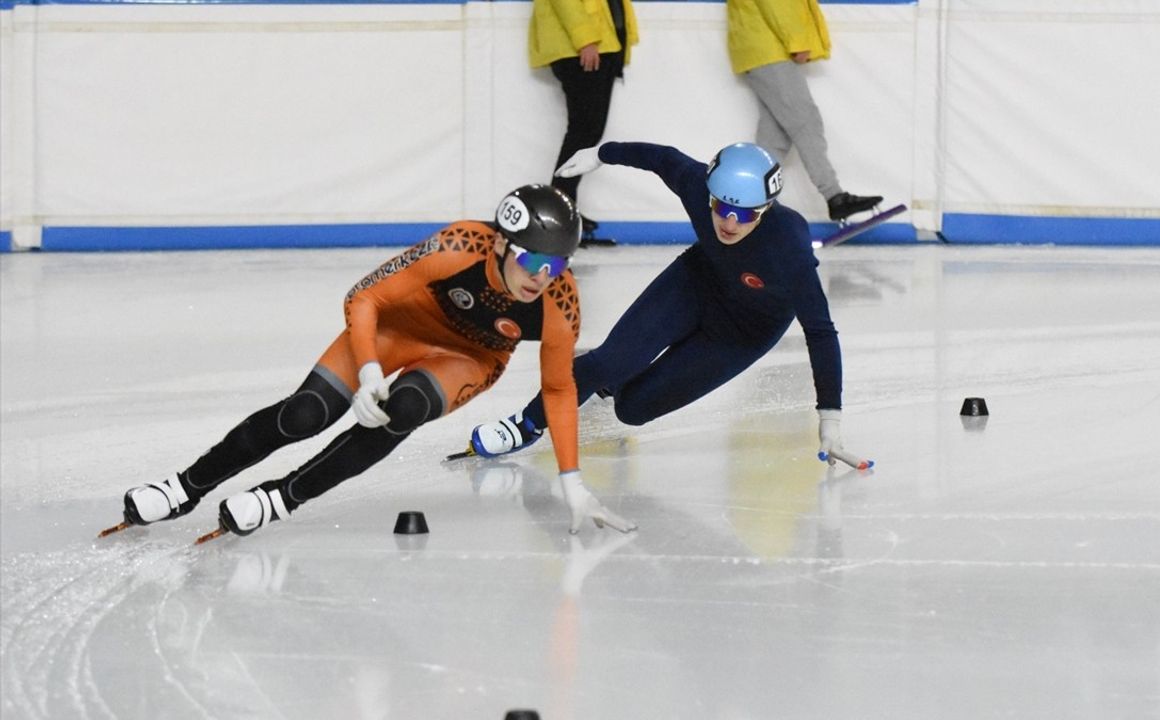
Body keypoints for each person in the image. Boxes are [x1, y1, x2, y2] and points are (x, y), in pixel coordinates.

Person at [109, 185, 636, 540]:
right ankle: (185, 488)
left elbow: (561, 390)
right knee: (305, 414)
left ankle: (281, 499)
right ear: (499, 242)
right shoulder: (458, 244)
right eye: (532, 260)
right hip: (395, 329)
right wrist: (365, 373)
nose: (543, 276)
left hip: (467, 357)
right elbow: (364, 297)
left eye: (558, 263)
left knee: (404, 408)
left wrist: (572, 481)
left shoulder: (559, 302)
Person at [465, 141, 869, 471]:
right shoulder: (697, 186)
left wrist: (829, 418)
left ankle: (618, 373)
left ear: (765, 210)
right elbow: (663, 159)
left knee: (632, 410)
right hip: (696, 284)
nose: (728, 222)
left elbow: (820, 332)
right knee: (606, 363)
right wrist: (601, 154)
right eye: (720, 207)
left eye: (743, 214)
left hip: (743, 334)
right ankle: (526, 423)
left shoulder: (788, 247)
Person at [726, 0, 882, 222]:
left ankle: (749, 207)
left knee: (775, 138)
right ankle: (835, 197)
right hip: (769, 49)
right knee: (805, 123)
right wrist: (797, 41)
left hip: (758, 47)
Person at [530, 0, 639, 239]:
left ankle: (564, 210)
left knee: (587, 133)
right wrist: (585, 39)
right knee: (583, 131)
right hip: (583, 48)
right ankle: (558, 214)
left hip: (602, 46)